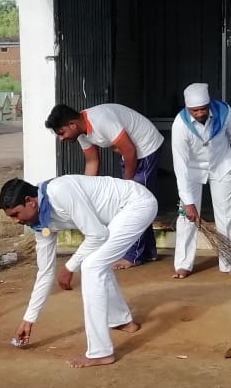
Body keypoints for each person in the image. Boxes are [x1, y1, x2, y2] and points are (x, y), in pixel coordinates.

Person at [0, 175, 154, 368]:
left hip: (137, 204)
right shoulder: (40, 223)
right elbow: (45, 272)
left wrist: (70, 267)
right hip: (118, 216)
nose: (15, 221)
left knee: (92, 266)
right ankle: (122, 320)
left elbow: (97, 235)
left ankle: (100, 352)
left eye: (15, 214)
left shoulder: (60, 191)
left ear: (30, 201)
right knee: (96, 264)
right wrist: (28, 319)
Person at [44, 103, 164, 269]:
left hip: (146, 146)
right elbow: (92, 161)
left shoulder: (101, 120)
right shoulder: (82, 133)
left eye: (61, 133)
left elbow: (129, 150)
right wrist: (83, 192)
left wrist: (128, 182)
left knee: (135, 202)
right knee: (134, 200)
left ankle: (133, 256)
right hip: (129, 151)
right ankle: (148, 252)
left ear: (72, 124)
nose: (61, 139)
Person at [171, 83, 231, 279]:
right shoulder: (180, 125)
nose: (200, 113)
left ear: (209, 104)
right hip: (191, 170)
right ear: (187, 108)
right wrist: (188, 202)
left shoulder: (224, 112)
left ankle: (228, 263)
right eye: (195, 110)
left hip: (220, 164)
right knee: (186, 218)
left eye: (203, 109)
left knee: (225, 215)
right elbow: (180, 167)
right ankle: (183, 264)